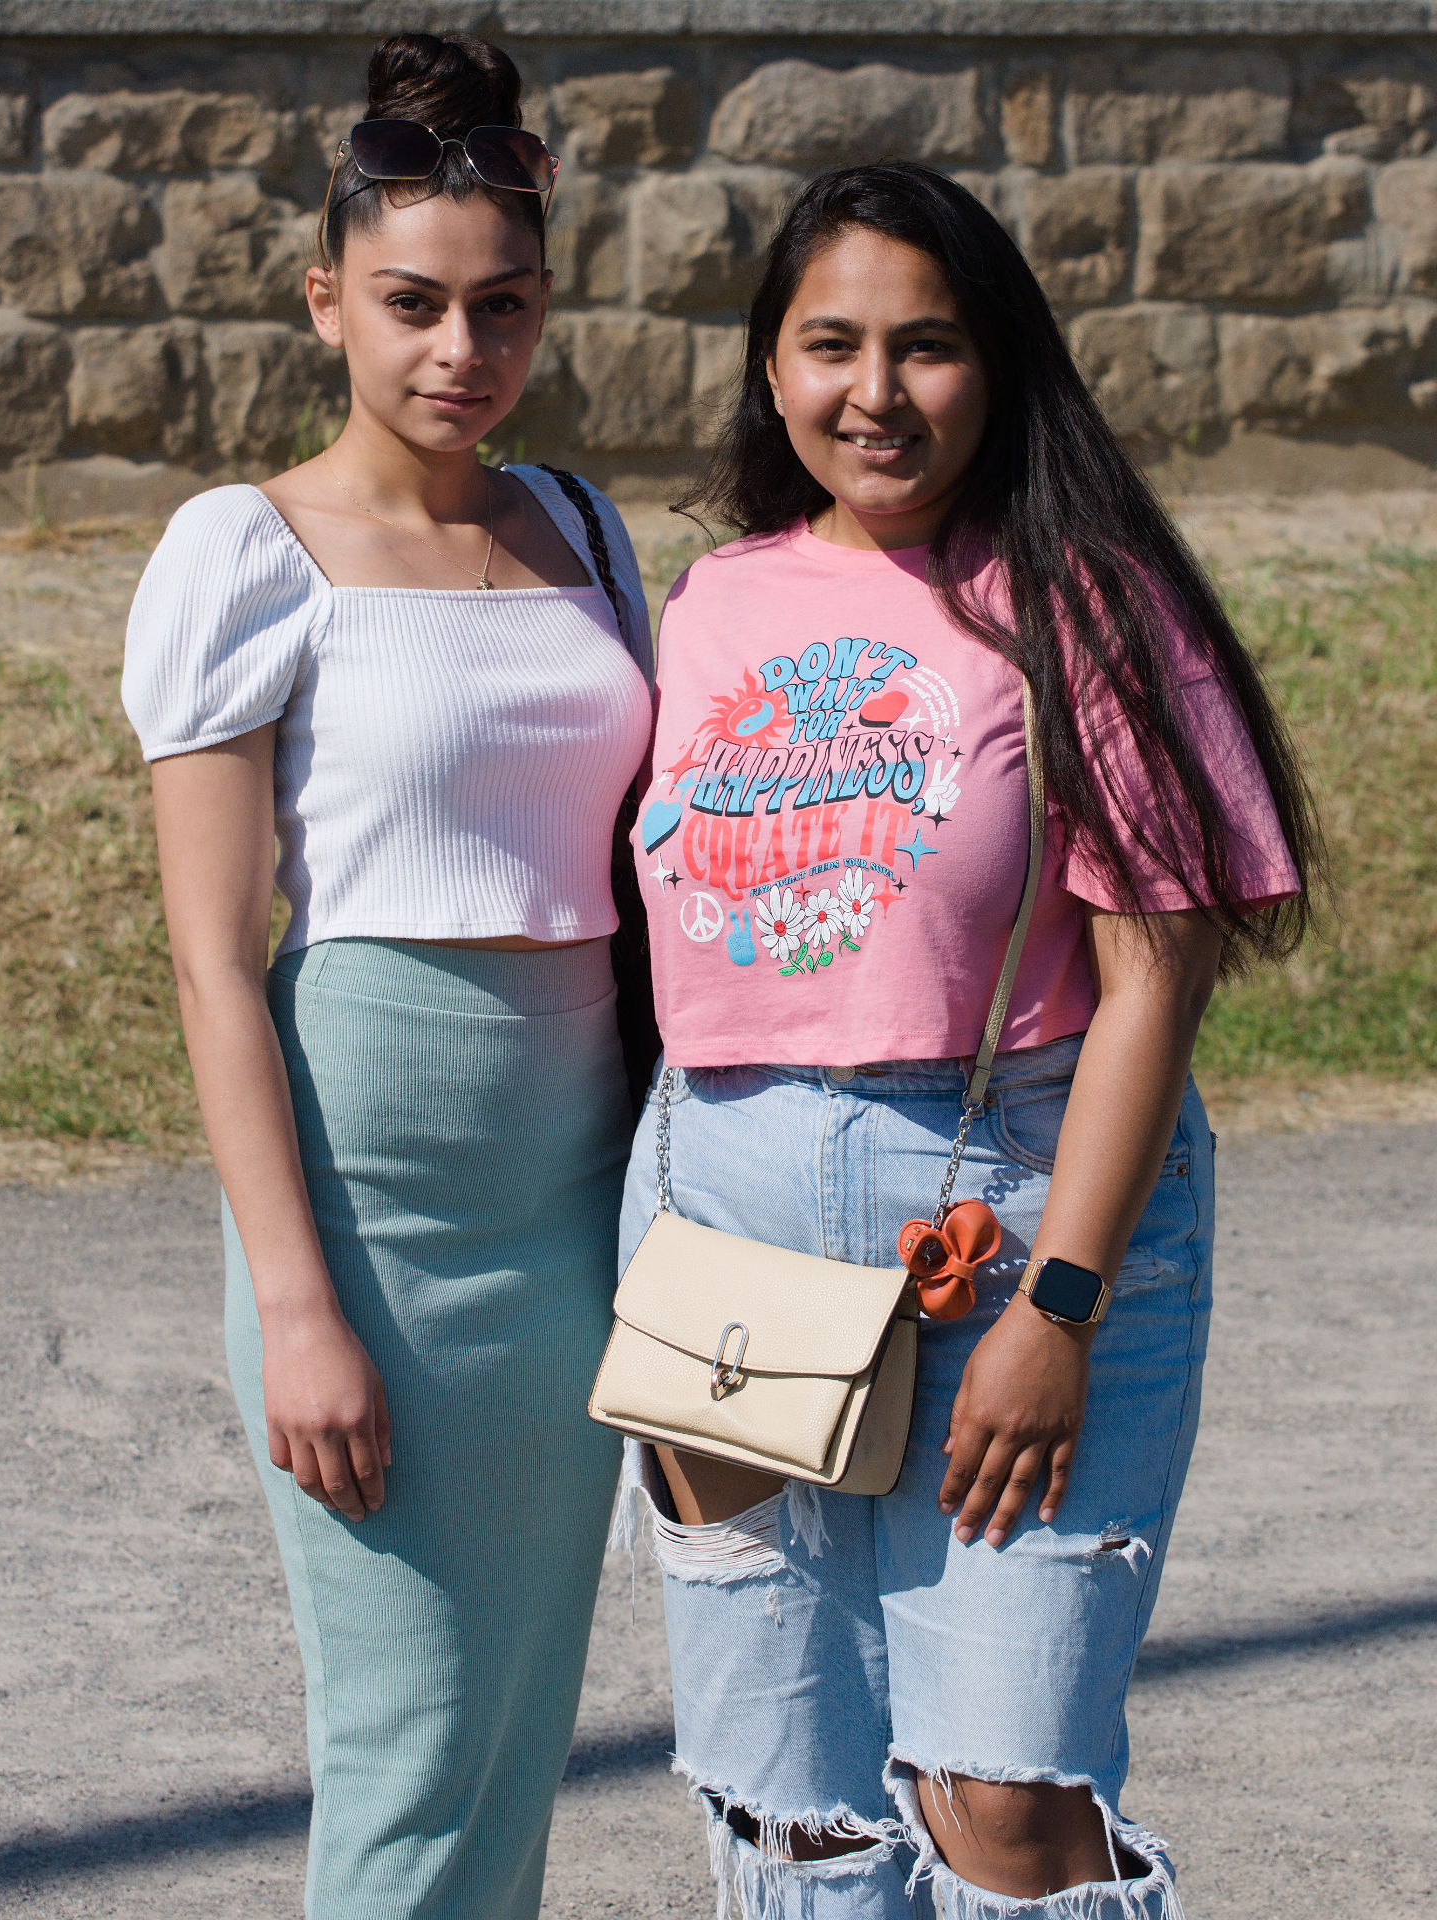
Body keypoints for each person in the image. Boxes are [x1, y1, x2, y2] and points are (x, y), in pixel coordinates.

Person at [613, 163, 1320, 1920]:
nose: (877, 392)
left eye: (925, 346)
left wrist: (1059, 1309)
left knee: (1004, 1804)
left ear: (996, 363)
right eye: (831, 344)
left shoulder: (1086, 603)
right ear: (770, 367)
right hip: (724, 1226)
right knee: (794, 1802)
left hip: (1005, 1225)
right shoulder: (709, 603)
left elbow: (1156, 982)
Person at [122, 32, 654, 1920]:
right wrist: (297, 1306)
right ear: (324, 296)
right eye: (413, 303)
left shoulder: (583, 529)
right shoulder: (244, 553)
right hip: (377, 1211)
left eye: (503, 305)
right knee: (411, 1742)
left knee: (515, 1733)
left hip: (578, 1195)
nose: (461, 349)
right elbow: (213, 962)